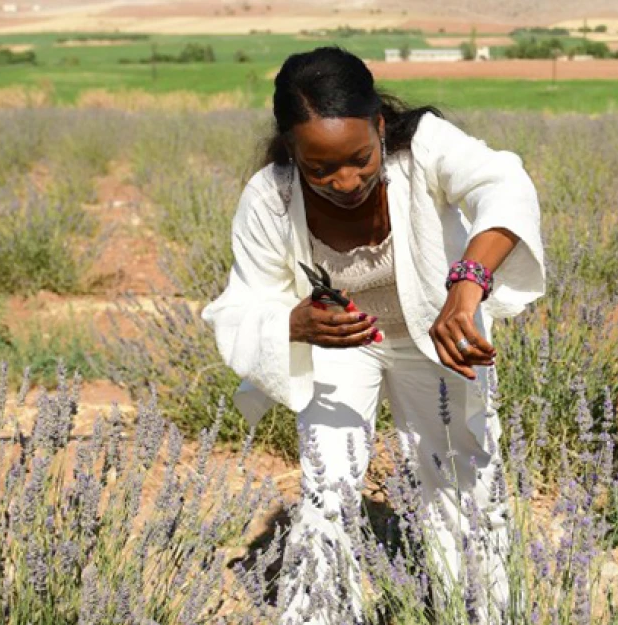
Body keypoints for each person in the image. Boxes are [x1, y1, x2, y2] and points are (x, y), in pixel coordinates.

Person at [200, 46, 546, 624]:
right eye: (320, 169)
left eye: (360, 158)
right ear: (292, 150)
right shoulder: (269, 195)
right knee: (327, 485)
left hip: (438, 330)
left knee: (460, 471)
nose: (345, 180)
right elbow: (242, 303)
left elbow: (504, 185)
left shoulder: (426, 146)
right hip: (341, 345)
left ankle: (479, 613)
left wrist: (468, 284)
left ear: (381, 127)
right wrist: (294, 322)